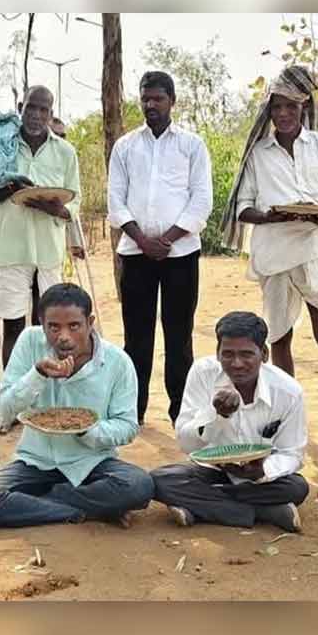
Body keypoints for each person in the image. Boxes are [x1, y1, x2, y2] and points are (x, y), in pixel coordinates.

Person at [222, 64, 318, 452]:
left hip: (315, 248)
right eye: (276, 107)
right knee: (280, 338)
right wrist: (274, 215)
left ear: (304, 107)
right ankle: (288, 425)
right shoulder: (259, 154)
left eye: (291, 107)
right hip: (274, 253)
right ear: (268, 111)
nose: (283, 114)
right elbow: (244, 208)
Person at [0, 283, 153, 528]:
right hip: (35, 462)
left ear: (90, 322)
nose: (63, 337)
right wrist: (38, 375)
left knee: (140, 485)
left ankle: (37, 504)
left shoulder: (117, 362)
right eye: (53, 327)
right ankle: (83, 510)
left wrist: (86, 429)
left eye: (74, 326)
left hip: (92, 462)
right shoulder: (30, 342)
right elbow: (5, 410)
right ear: (41, 324)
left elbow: (127, 426)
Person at [107, 71, 213, 425]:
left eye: (157, 99)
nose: (150, 105)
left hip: (180, 256)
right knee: (136, 339)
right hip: (136, 255)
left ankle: (180, 414)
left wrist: (166, 239)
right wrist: (142, 240)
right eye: (145, 99)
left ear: (172, 101)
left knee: (179, 336)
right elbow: (116, 202)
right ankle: (130, 413)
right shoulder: (125, 146)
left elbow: (201, 201)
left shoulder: (192, 145)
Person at [151, 312, 308, 532]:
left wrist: (262, 472)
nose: (236, 364)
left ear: (263, 354)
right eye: (227, 354)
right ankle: (263, 511)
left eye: (246, 354)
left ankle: (198, 506)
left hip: (260, 479)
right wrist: (216, 416)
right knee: (158, 480)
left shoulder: (288, 392)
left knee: (297, 487)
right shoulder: (202, 373)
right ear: (217, 353)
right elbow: (186, 444)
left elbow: (292, 454)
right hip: (212, 470)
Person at [0, 86, 82, 375]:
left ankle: (46, 388)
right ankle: (10, 389)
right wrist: (11, 187)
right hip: (13, 249)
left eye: (43, 110)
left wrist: (55, 209)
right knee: (12, 323)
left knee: (49, 323)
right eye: (31, 108)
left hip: (49, 251)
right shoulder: (2, 147)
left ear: (51, 113)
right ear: (21, 107)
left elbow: (75, 202)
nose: (36, 115)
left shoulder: (65, 152)